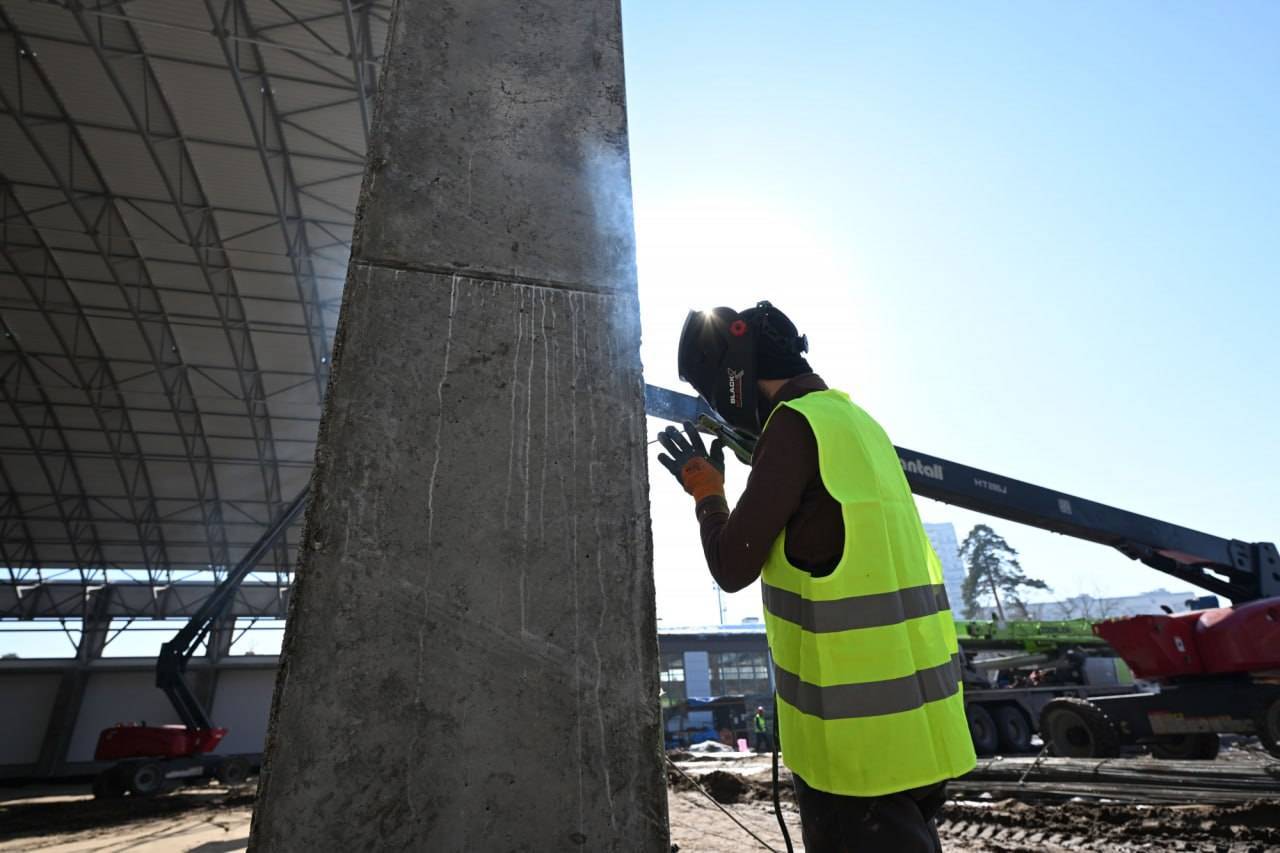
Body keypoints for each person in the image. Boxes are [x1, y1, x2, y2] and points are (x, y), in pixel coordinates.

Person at [655, 302, 977, 853]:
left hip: (853, 754)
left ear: (732, 379)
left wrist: (708, 494)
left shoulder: (793, 427)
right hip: (921, 738)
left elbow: (732, 567)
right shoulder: (856, 423)